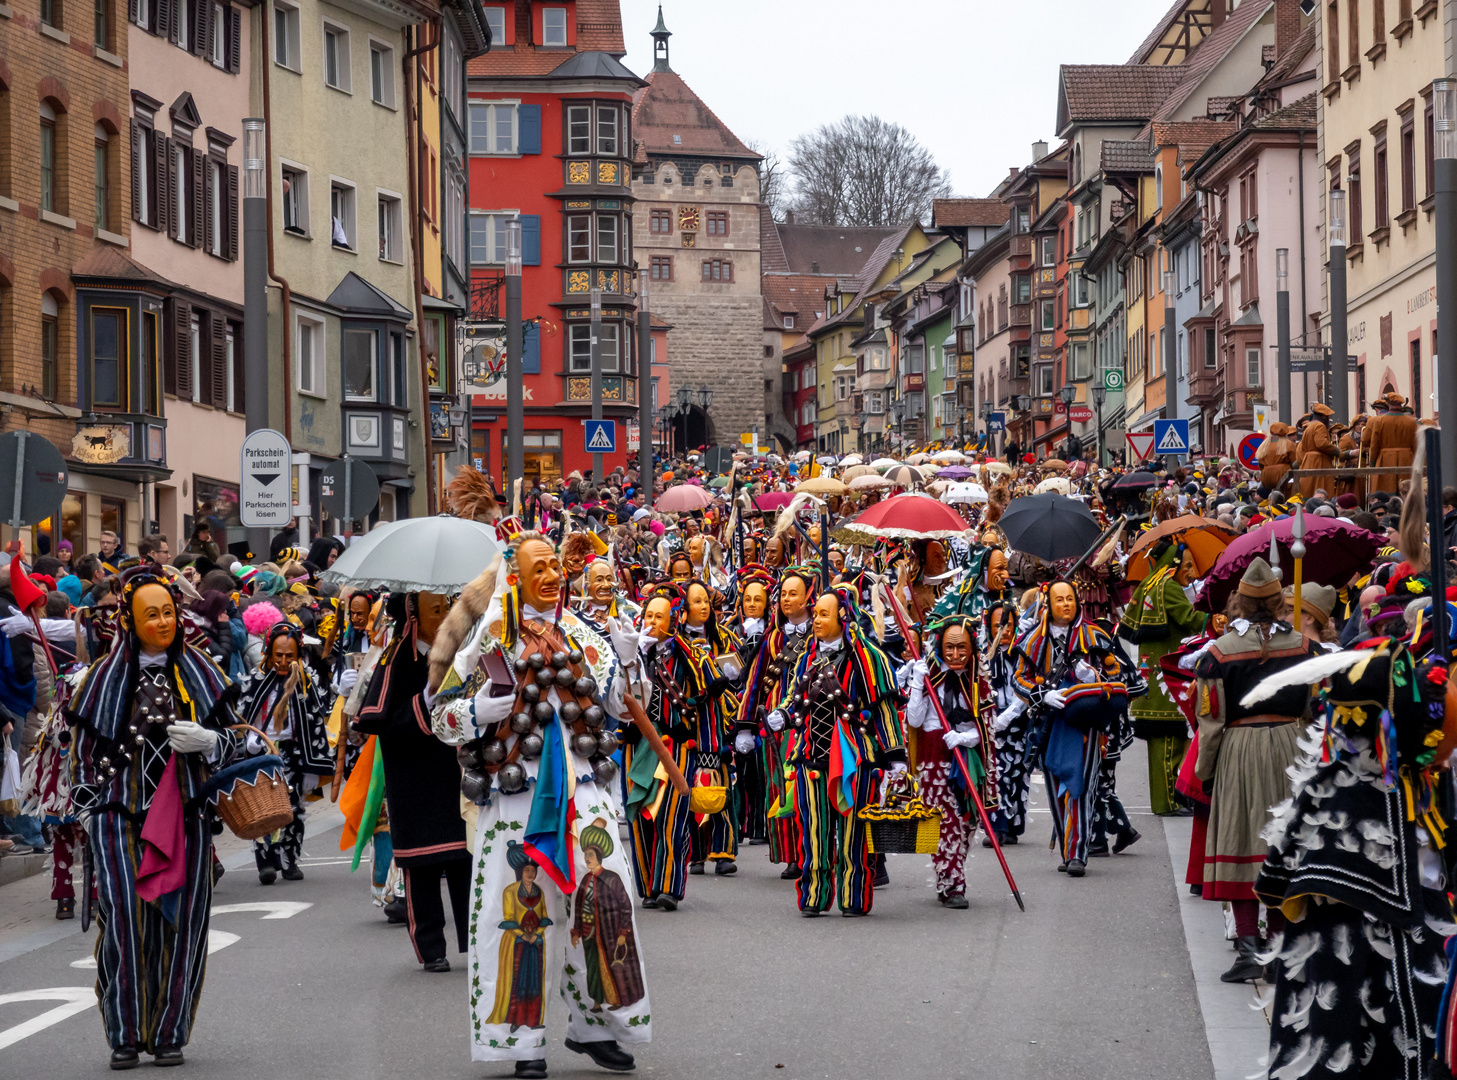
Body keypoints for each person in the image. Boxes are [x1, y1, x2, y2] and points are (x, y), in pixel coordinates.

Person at [427, 528, 649, 1077]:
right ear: (515, 576)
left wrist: (627, 660)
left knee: (600, 905)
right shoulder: (488, 637)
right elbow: (441, 720)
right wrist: (478, 709)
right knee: (521, 912)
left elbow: (624, 710)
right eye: (539, 568)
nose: (551, 576)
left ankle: (594, 1026)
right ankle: (523, 1041)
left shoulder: (584, 632)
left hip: (585, 788)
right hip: (515, 794)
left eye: (555, 565)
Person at [67, 567, 242, 1068]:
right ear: (129, 619)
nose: (163, 622)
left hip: (186, 816)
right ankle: (124, 1034)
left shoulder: (204, 671)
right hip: (117, 816)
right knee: (124, 923)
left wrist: (212, 742)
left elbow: (241, 740)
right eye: (151, 614)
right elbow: (79, 755)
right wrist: (89, 815)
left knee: (183, 926)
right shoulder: (100, 680)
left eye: (169, 612)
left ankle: (169, 1032)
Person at [1192, 557, 1318, 983]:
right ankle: (1280, 948)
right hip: (1292, 747)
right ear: (1279, 602)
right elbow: (1314, 708)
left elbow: (1211, 721)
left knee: (1241, 839)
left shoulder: (1217, 653)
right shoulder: (1304, 646)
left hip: (1239, 748)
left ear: (1241, 604)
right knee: (1282, 846)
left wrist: (1205, 771)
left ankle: (1248, 946)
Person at [768, 584, 904, 916]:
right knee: (813, 830)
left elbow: (884, 709)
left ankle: (854, 897)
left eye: (823, 614)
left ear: (842, 617)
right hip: (810, 756)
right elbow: (795, 698)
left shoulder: (869, 658)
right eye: (815, 614)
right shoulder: (806, 657)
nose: (816, 620)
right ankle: (814, 895)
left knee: (853, 835)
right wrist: (782, 714)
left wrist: (895, 758)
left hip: (856, 761)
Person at [355, 591, 469, 973]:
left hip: (458, 773)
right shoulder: (397, 660)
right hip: (415, 777)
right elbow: (377, 721)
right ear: (413, 617)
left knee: (467, 863)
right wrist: (424, 699)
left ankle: (478, 943)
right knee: (421, 868)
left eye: (447, 608)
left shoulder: (464, 655)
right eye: (435, 609)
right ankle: (431, 947)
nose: (444, 616)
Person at [1013, 580, 1144, 877]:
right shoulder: (1032, 640)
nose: (1066, 604)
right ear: (1048, 604)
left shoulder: (1096, 636)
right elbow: (1019, 679)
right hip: (1049, 722)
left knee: (1081, 788)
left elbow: (1117, 673)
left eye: (1070, 598)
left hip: (1087, 723)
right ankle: (1066, 848)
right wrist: (1041, 694)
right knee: (1054, 786)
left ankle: (1078, 853)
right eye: (1060, 599)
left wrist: (1093, 675)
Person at [903, 615, 995, 908]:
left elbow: (987, 727)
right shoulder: (930, 676)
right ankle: (952, 884)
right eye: (949, 648)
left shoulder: (978, 681)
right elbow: (914, 719)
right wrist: (917, 683)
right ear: (939, 647)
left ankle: (951, 873)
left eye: (962, 648)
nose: (955, 655)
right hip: (934, 756)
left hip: (967, 758)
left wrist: (966, 738)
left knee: (966, 821)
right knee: (945, 823)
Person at [1120, 539, 1216, 816]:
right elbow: (1189, 619)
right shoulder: (1169, 586)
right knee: (1168, 745)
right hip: (1165, 679)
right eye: (1187, 565)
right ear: (1173, 564)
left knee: (1164, 744)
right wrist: (1211, 612)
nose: (1191, 571)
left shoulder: (1150, 583)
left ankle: (1166, 801)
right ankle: (1166, 803)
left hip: (1153, 676)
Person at [734, 567, 817, 880]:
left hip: (809, 721)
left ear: (808, 598)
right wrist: (746, 725)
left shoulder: (822, 634)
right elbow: (755, 680)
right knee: (779, 789)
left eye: (793, 594)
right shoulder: (774, 638)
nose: (786, 600)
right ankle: (792, 855)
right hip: (774, 728)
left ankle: (815, 849)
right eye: (783, 594)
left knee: (806, 788)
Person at [237, 623, 334, 883]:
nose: (282, 661)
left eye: (288, 656)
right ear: (268, 653)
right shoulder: (256, 681)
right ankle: (265, 861)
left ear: (298, 655)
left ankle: (290, 860)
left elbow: (315, 721)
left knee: (292, 809)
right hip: (261, 751)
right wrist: (250, 739)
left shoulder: (306, 683)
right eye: (278, 655)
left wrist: (314, 766)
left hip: (292, 753)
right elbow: (243, 715)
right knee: (261, 808)